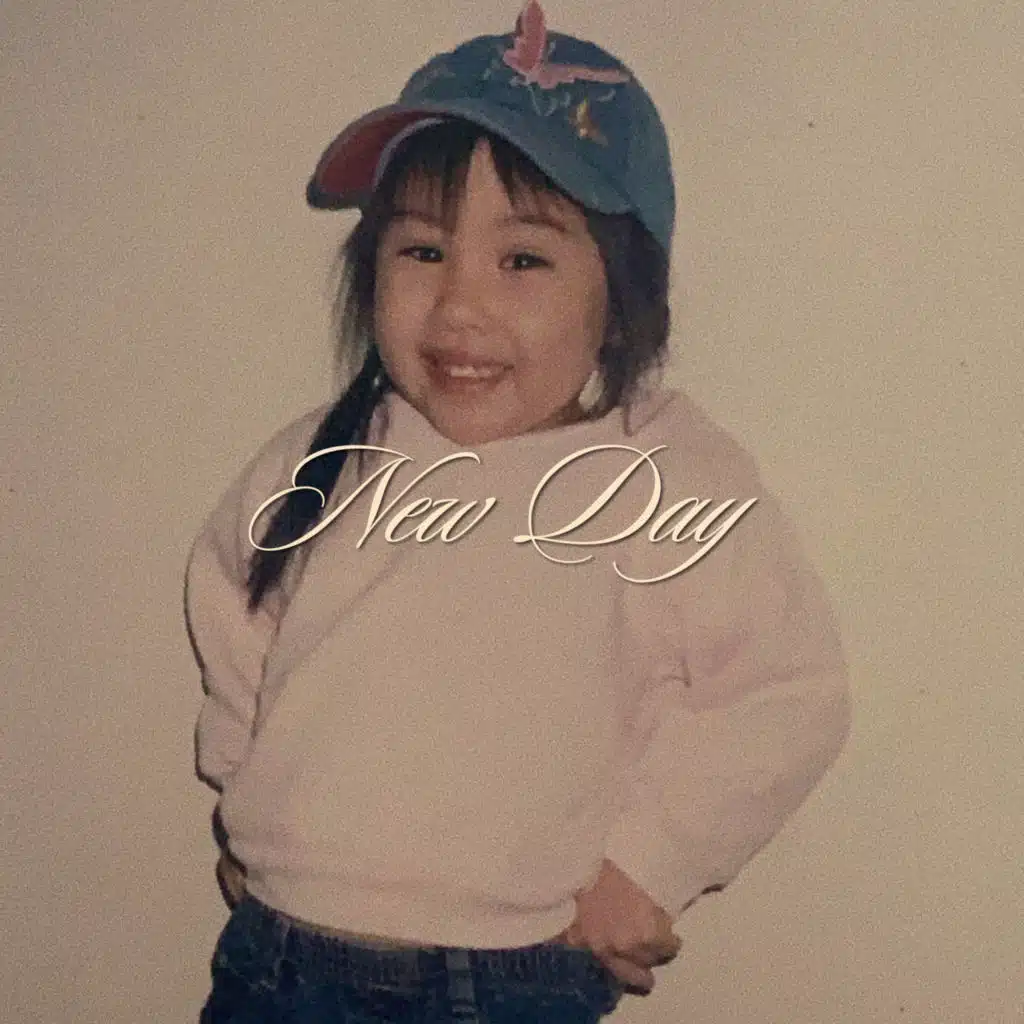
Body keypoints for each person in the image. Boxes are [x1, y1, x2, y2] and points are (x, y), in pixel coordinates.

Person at [184, 2, 852, 1020]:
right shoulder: (327, 456)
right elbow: (239, 612)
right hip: (278, 958)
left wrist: (650, 860)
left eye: (523, 260)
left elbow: (784, 689)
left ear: (620, 297)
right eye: (422, 252)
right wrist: (246, 797)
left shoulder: (661, 478)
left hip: (504, 980)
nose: (460, 306)